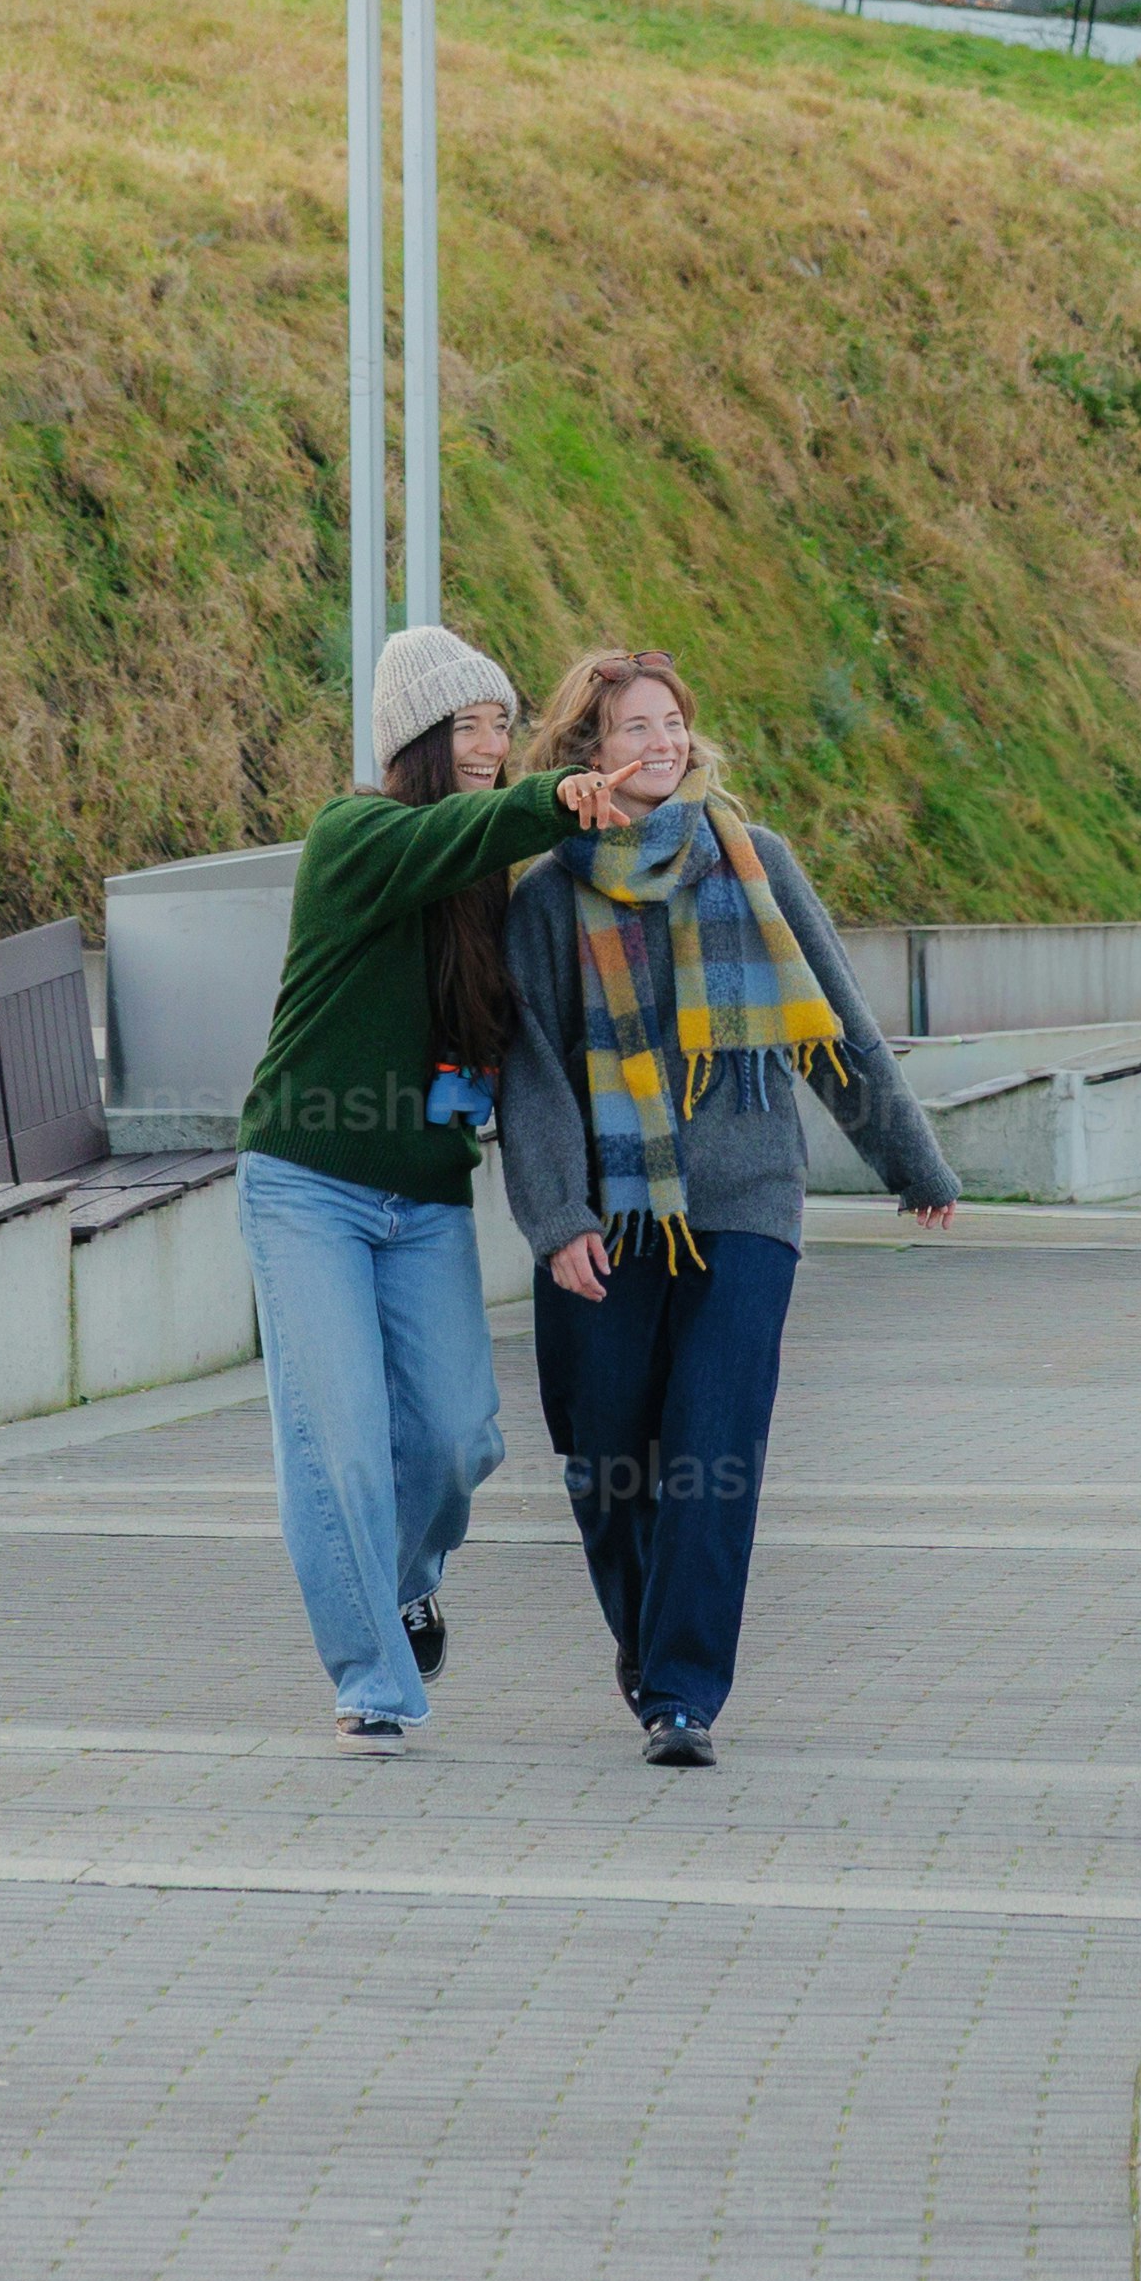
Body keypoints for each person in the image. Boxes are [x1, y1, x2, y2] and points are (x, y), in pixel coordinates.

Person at [448, 644, 955, 1765]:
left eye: (671, 723)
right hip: (605, 1216)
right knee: (604, 1454)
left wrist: (912, 1162)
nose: (661, 743)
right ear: (587, 749)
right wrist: (557, 1217)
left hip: (744, 1200)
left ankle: (682, 1692)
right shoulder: (547, 895)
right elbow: (529, 1069)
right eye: (634, 727)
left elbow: (834, 1023)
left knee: (712, 1447)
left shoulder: (751, 859)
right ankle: (651, 1647)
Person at [237, 623, 626, 1746]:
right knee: (340, 1445)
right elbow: (476, 824)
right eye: (471, 723)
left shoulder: (478, 887)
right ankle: (375, 1681)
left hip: (422, 1201)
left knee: (459, 1437)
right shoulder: (354, 833)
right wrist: (556, 794)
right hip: (306, 1184)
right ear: (414, 735)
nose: (491, 744)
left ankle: (404, 1579)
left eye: (502, 724)